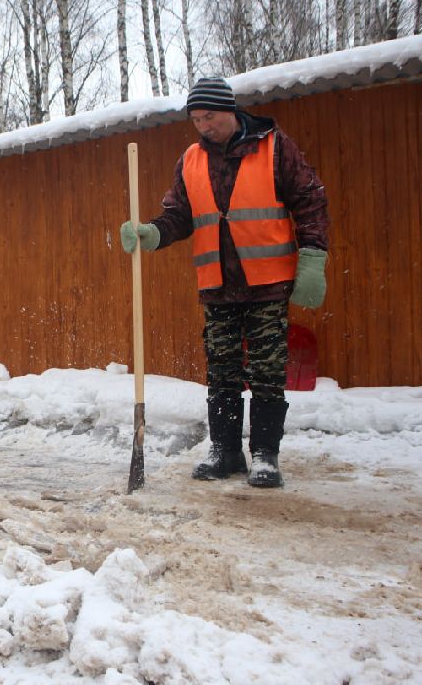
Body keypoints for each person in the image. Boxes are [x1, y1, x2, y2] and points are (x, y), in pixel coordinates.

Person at [120, 77, 329, 488]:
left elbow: (309, 198)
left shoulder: (273, 147)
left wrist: (313, 257)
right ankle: (225, 451)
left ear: (229, 110)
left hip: (267, 281)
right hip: (217, 284)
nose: (203, 126)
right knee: (222, 371)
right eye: (196, 119)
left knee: (268, 370)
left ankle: (266, 455)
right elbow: (179, 215)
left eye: (209, 117)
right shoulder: (192, 159)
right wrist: (152, 233)